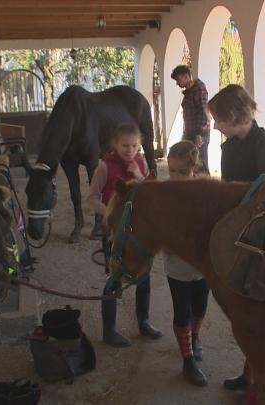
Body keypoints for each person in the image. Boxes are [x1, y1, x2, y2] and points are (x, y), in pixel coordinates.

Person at [207, 84, 265, 390]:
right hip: (240, 233)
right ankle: (251, 372)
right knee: (242, 311)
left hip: (261, 240)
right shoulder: (232, 145)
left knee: (255, 310)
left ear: (234, 117)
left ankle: (258, 377)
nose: (215, 125)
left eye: (219, 119)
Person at [87, 123, 162, 347]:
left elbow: (148, 192)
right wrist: (111, 214)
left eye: (134, 145)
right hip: (115, 231)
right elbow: (91, 197)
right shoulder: (104, 166)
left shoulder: (140, 162)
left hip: (139, 230)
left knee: (144, 276)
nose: (129, 150)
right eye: (124, 145)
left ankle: (144, 322)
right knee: (114, 278)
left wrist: (139, 175)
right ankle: (109, 331)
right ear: (115, 144)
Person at [164, 140, 211, 386]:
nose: (175, 177)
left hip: (202, 266)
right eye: (172, 171)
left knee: (200, 306)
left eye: (182, 172)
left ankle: (195, 337)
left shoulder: (204, 193)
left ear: (195, 168)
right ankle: (187, 360)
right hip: (177, 267)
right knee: (181, 310)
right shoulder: (165, 195)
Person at [171, 65, 211, 174]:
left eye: (178, 79)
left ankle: (207, 187)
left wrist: (199, 134)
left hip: (199, 134)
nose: (177, 83)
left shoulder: (199, 89)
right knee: (190, 163)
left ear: (186, 76)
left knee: (200, 164)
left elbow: (203, 112)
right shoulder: (190, 91)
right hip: (190, 133)